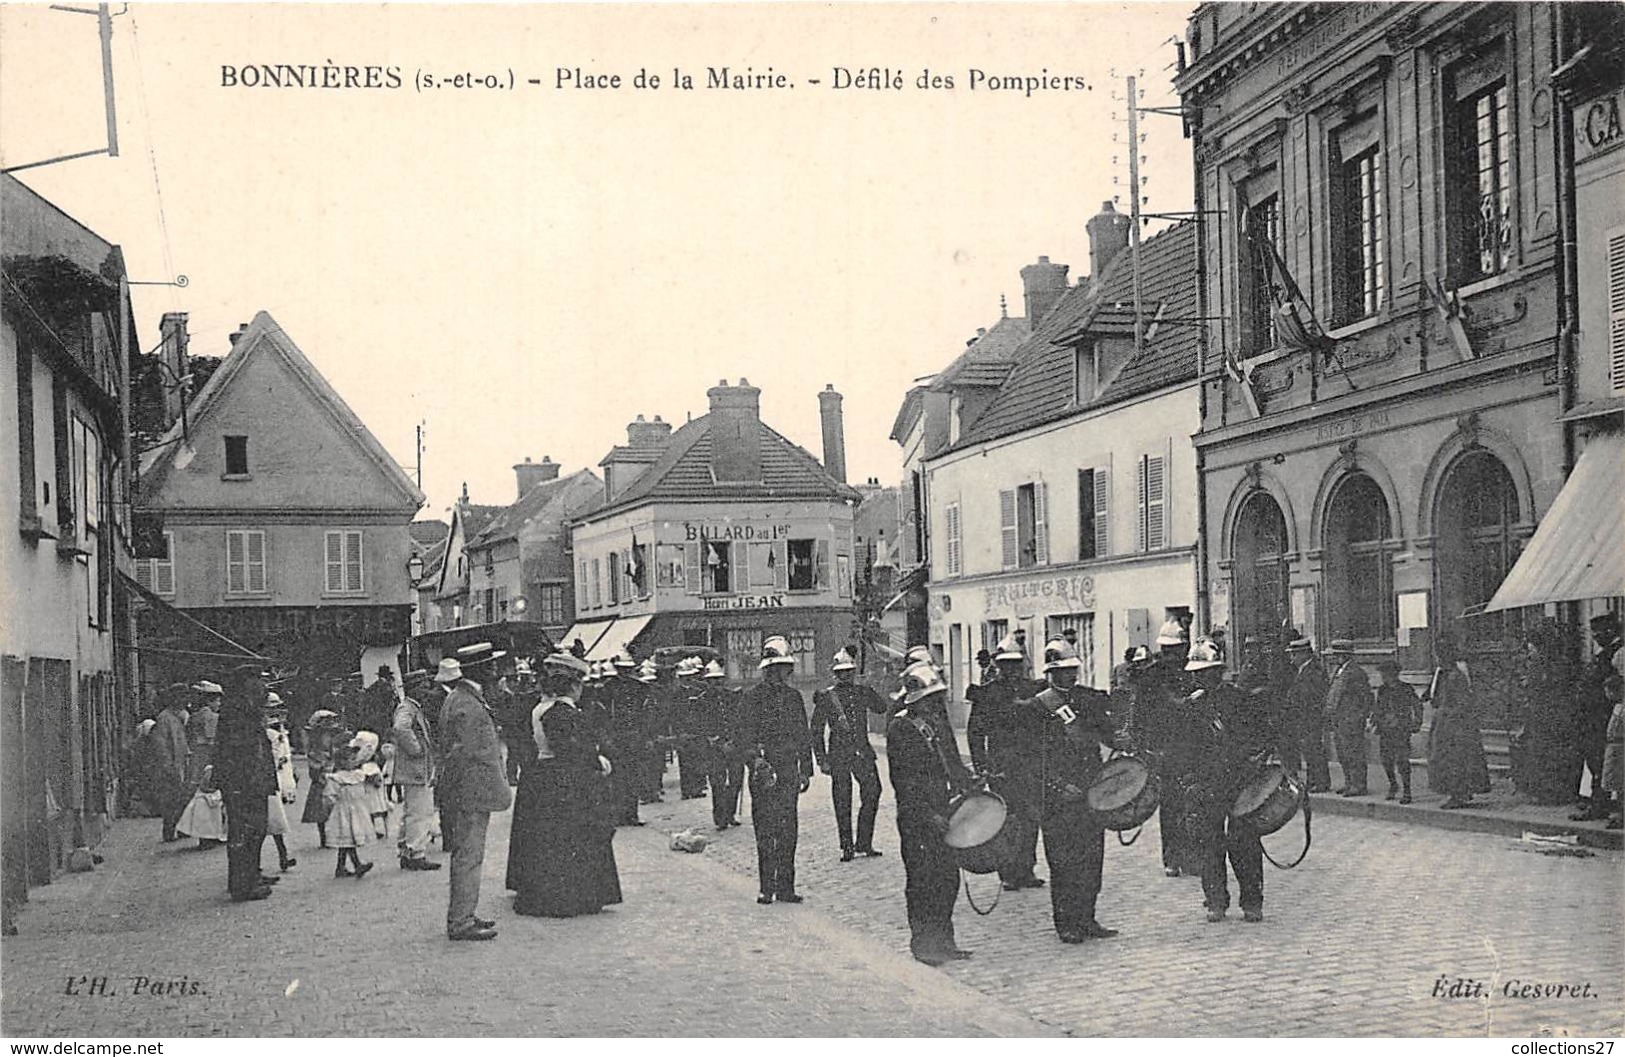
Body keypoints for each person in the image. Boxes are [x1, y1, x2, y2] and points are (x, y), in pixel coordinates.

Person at [1015, 639, 1120, 943]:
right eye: (1064, 671)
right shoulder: (1036, 708)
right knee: (1063, 863)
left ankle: (1087, 918)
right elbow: (1031, 759)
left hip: (1090, 790)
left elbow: (1107, 735)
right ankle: (1067, 923)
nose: (1071, 675)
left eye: (1073, 669)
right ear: (1050, 673)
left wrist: (1121, 739)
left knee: (1092, 859)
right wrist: (1058, 786)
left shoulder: (1088, 700)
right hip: (1059, 799)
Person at [507, 651, 622, 917]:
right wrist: (598, 762)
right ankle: (574, 896)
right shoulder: (562, 712)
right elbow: (573, 750)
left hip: (549, 777)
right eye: (579, 684)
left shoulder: (542, 709)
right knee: (572, 838)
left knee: (553, 840)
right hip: (566, 780)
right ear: (572, 685)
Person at [1175, 637, 1271, 924]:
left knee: (1245, 844)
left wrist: (1257, 759)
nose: (1202, 677)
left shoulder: (1240, 699)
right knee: (1209, 845)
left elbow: (1263, 734)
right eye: (1199, 673)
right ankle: (1216, 901)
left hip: (1240, 781)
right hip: (1206, 784)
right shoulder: (1191, 707)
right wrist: (1188, 780)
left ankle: (1252, 902)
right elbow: (1183, 748)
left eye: (1207, 672)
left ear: (1218, 671)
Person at [886, 660, 974, 966]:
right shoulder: (901, 728)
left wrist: (970, 782)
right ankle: (923, 944)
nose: (937, 704)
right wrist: (926, 814)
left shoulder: (936, 724)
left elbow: (951, 763)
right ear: (917, 700)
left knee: (947, 879)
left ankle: (945, 941)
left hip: (943, 809)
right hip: (917, 818)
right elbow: (903, 781)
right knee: (922, 881)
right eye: (932, 699)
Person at [435, 657, 511, 941]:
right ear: (481, 670)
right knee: (469, 856)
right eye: (491, 666)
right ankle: (461, 921)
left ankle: (465, 912)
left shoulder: (462, 698)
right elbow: (460, 751)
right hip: (472, 792)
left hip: (468, 790)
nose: (496, 671)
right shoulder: (468, 703)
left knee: (467, 855)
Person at [965, 635, 1045, 891]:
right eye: (1006, 664)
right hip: (1001, 765)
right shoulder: (988, 693)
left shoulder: (1032, 690)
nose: (1012, 669)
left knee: (1030, 817)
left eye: (1016, 664)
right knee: (1006, 819)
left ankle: (1027, 868)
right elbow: (975, 733)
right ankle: (1008, 871)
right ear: (998, 665)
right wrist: (981, 766)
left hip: (1030, 764)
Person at [740, 636, 814, 905]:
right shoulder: (752, 698)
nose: (781, 672)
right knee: (765, 829)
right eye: (777, 667)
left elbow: (802, 736)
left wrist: (806, 769)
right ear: (768, 669)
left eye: (784, 667)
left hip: (788, 770)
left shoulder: (793, 698)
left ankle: (786, 887)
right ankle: (766, 887)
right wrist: (754, 761)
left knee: (788, 830)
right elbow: (743, 738)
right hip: (764, 768)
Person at [810, 648, 886, 861]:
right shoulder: (827, 697)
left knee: (873, 792)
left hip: (862, 752)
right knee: (842, 800)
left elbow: (881, 708)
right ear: (835, 674)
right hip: (839, 755)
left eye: (849, 671)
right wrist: (822, 759)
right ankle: (846, 846)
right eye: (841, 672)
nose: (846, 675)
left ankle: (864, 842)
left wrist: (871, 687)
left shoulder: (862, 692)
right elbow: (816, 730)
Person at [213, 666, 279, 902]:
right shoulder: (238, 712)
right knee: (245, 833)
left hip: (252, 783)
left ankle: (253, 874)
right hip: (243, 784)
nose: (264, 688)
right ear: (247, 685)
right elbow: (241, 754)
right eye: (259, 682)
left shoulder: (246, 709)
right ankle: (243, 885)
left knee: (256, 831)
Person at [1141, 619, 1199, 877]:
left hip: (1185, 747)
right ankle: (1174, 858)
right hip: (1167, 748)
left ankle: (1183, 857)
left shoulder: (1187, 670)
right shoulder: (1154, 675)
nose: (1177, 654)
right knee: (1174, 803)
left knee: (1186, 803)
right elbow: (1151, 713)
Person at [1512, 620, 1581, 805]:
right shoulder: (1561, 660)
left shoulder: (1538, 662)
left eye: (1531, 645)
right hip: (1558, 713)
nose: (1529, 649)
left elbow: (1535, 687)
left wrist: (1527, 683)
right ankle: (1560, 791)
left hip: (1542, 714)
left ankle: (1547, 792)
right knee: (1555, 752)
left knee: (1543, 752)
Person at [1426, 636, 1490, 810]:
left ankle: (1457, 794)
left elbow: (1463, 702)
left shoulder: (1456, 676)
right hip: (1444, 722)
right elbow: (1436, 693)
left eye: (1440, 655)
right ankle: (1460, 792)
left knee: (1454, 759)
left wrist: (1448, 715)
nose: (1437, 658)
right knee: (1444, 758)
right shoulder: (1443, 674)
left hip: (1455, 726)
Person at [1573, 614, 1622, 821]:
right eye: (1593, 632)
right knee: (1595, 760)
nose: (1595, 637)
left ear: (1610, 631)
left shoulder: (1618, 653)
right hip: (1593, 715)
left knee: (1603, 761)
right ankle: (1598, 802)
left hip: (1605, 715)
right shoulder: (1607, 653)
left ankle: (1602, 805)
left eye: (1598, 632)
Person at [392, 670, 441, 871]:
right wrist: (416, 749)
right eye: (422, 685)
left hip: (415, 767)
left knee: (412, 810)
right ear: (414, 688)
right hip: (415, 767)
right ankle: (416, 852)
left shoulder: (413, 707)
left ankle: (406, 849)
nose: (426, 689)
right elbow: (401, 728)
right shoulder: (408, 708)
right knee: (420, 811)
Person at [699, 660, 747, 830]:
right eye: (712, 681)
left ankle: (731, 813)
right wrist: (719, 743)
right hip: (714, 750)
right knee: (718, 783)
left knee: (735, 781)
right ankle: (720, 817)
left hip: (733, 747)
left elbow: (738, 721)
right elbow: (702, 728)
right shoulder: (702, 701)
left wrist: (734, 742)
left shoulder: (731, 696)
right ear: (707, 682)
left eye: (719, 680)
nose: (716, 684)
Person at [324, 735, 378, 880]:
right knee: (348, 840)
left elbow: (367, 785)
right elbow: (329, 795)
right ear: (341, 762)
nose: (353, 762)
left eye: (355, 759)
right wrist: (332, 806)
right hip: (344, 812)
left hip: (357, 811)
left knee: (347, 841)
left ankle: (340, 867)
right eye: (350, 759)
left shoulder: (358, 775)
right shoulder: (337, 778)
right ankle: (357, 864)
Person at [1284, 637, 1331, 792]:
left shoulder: (1314, 670)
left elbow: (1313, 696)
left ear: (1304, 654)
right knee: (1309, 750)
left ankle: (1321, 782)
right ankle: (1313, 781)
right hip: (1303, 717)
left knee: (1314, 749)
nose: (1292, 659)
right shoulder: (1303, 670)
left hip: (1311, 717)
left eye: (1294, 655)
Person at [1371, 659, 1419, 803]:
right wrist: (1374, 720)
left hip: (1401, 729)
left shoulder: (1406, 688)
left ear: (1394, 674)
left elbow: (1417, 705)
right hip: (1385, 729)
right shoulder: (1382, 689)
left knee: (1402, 761)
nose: (1383, 676)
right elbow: (1378, 707)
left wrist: (1417, 722)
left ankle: (1407, 790)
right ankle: (1393, 785)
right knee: (1386, 760)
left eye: (1385, 673)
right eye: (1382, 674)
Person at [1326, 646, 1371, 797]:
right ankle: (1349, 782)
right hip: (1339, 719)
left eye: (1337, 655)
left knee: (1354, 753)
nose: (1334, 657)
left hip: (1351, 720)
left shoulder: (1356, 673)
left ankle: (1358, 785)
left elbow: (1365, 698)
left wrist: (1359, 717)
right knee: (1343, 753)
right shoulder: (1338, 671)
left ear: (1344, 655)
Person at [150, 684, 192, 843]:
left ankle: (181, 828)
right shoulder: (164, 718)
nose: (183, 700)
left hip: (182, 763)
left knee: (182, 798)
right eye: (180, 697)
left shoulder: (179, 717)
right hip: (170, 766)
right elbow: (160, 746)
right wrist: (168, 767)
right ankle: (169, 831)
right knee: (171, 800)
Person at [264, 693, 298, 872]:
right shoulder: (267, 731)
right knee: (271, 818)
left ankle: (283, 855)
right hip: (269, 774)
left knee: (274, 818)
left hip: (278, 774)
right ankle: (281, 855)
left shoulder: (279, 729)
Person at [301, 709, 343, 847]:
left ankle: (332, 836)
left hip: (332, 776)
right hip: (322, 778)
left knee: (333, 809)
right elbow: (314, 765)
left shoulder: (332, 745)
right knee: (321, 810)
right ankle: (324, 838)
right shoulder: (314, 750)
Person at [185, 681, 222, 789]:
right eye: (217, 701)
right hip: (205, 750)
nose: (219, 704)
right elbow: (210, 736)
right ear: (209, 701)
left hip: (195, 749)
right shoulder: (210, 716)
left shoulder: (195, 715)